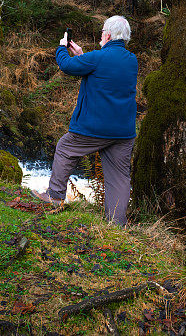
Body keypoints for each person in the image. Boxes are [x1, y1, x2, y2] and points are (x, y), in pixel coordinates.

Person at [31, 15, 138, 225]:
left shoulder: (97, 58)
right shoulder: (131, 60)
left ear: (107, 35)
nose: (101, 36)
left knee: (64, 148)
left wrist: (62, 47)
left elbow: (67, 66)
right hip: (123, 132)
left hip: (95, 128)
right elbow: (103, 72)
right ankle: (116, 224)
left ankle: (54, 197)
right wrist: (81, 54)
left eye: (101, 32)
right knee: (118, 178)